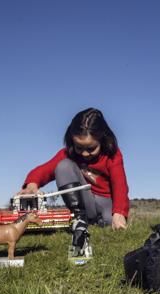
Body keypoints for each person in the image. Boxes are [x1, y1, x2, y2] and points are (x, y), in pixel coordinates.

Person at [18, 108, 130, 253]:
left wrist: (119, 213)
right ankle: (80, 219)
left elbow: (120, 185)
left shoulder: (113, 155)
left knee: (111, 222)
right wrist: (32, 185)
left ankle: (99, 221)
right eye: (79, 147)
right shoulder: (68, 153)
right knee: (63, 166)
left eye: (91, 148)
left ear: (102, 138)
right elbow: (43, 170)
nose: (84, 153)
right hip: (85, 201)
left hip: (106, 202)